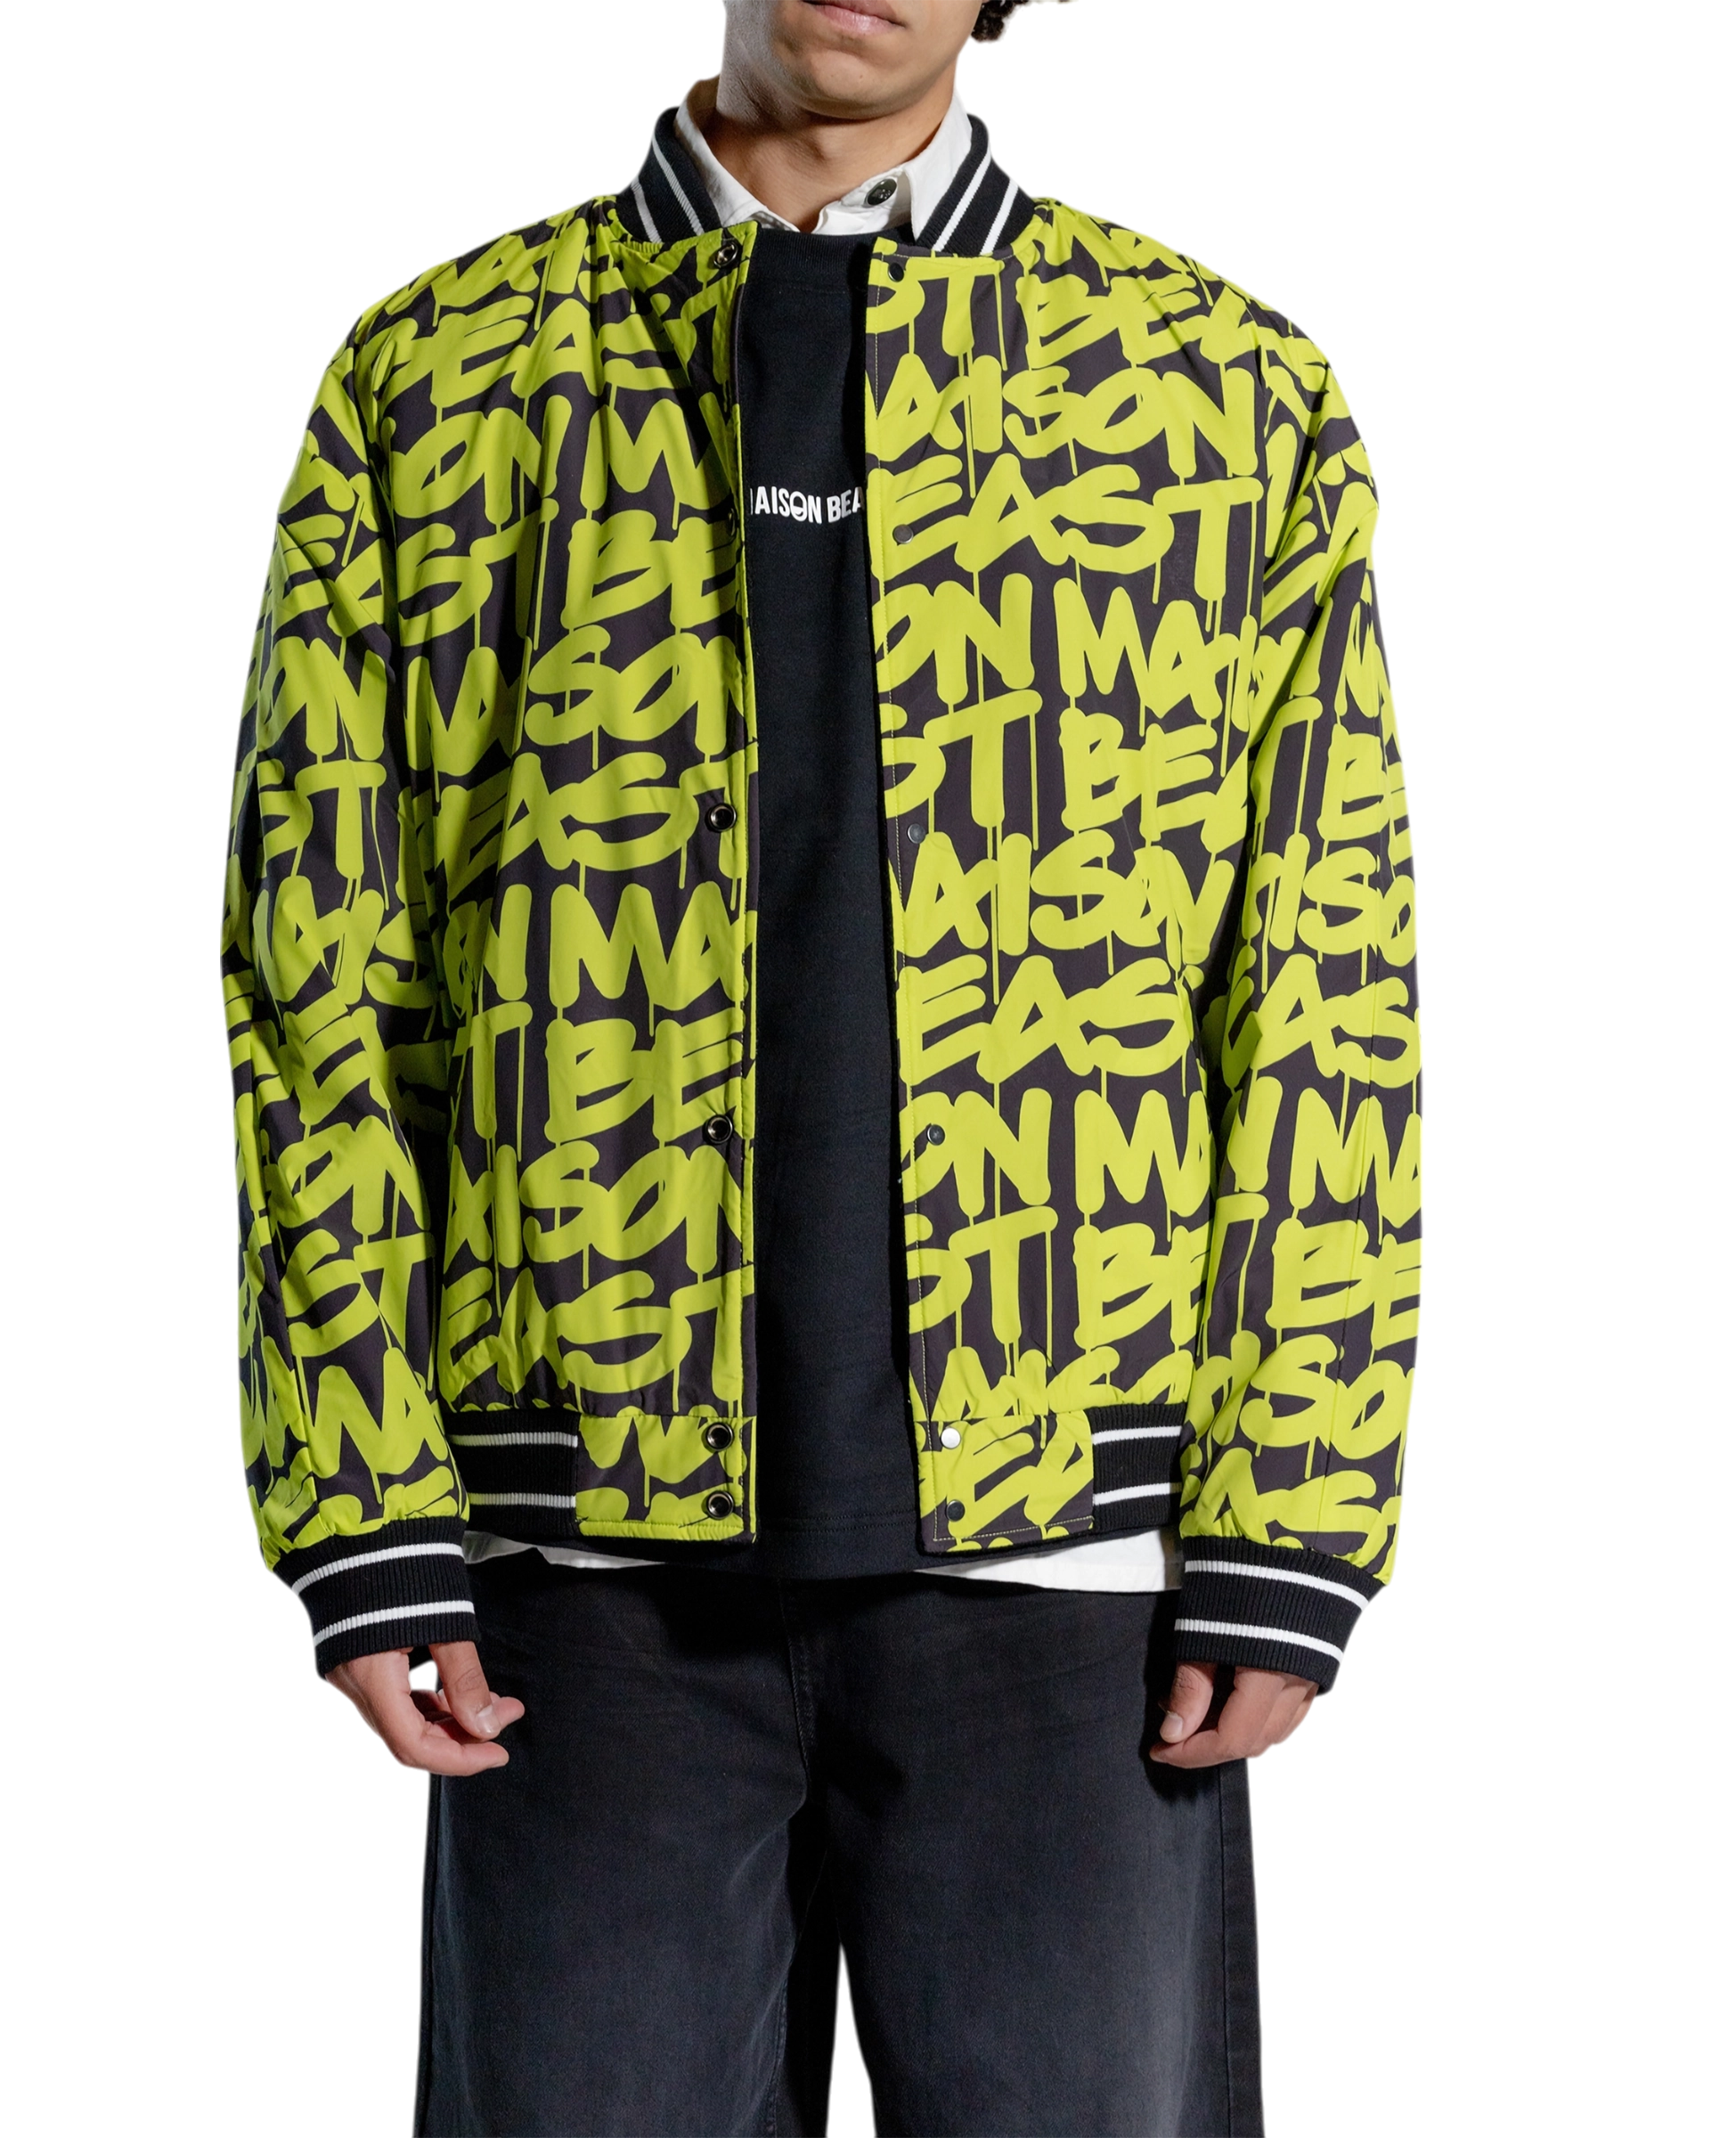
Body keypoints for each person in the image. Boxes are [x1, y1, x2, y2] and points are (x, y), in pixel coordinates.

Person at [219, 1, 1422, 2130]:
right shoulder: (440, 373)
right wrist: (362, 1500)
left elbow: (1322, 962)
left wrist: (1295, 1503)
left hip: (1073, 1543)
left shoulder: (1211, 386)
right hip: (576, 1550)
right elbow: (320, 964)